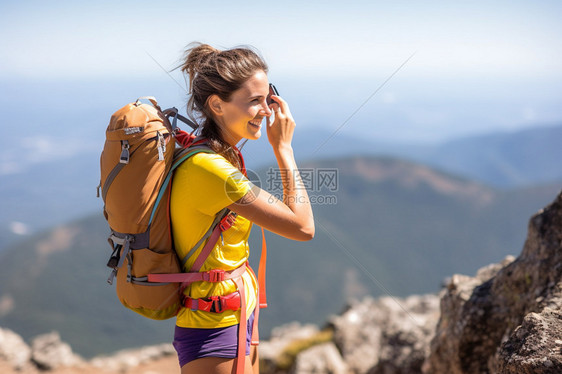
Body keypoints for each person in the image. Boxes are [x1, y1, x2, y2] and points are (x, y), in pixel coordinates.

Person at [170, 42, 315, 374]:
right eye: (254, 101)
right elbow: (304, 227)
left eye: (268, 98)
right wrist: (284, 149)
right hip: (215, 326)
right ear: (217, 106)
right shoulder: (211, 170)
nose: (266, 111)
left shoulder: (217, 156)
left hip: (234, 315)